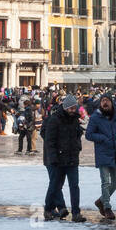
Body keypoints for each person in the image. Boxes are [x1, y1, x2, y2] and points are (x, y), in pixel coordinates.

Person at [41, 94, 85, 222]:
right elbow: (50, 141)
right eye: (70, 108)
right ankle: (48, 208)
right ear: (65, 107)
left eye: (74, 108)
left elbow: (77, 136)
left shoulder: (75, 120)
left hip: (72, 158)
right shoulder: (54, 119)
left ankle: (76, 213)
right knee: (55, 185)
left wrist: (78, 147)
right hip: (58, 159)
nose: (73, 111)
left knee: (74, 186)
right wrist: (53, 158)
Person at [86, 93, 116, 221]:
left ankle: (101, 201)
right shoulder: (95, 117)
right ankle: (107, 207)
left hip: (114, 152)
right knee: (105, 182)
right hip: (102, 152)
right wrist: (102, 138)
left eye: (107, 100)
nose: (105, 103)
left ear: (111, 102)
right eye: (103, 101)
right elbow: (89, 134)